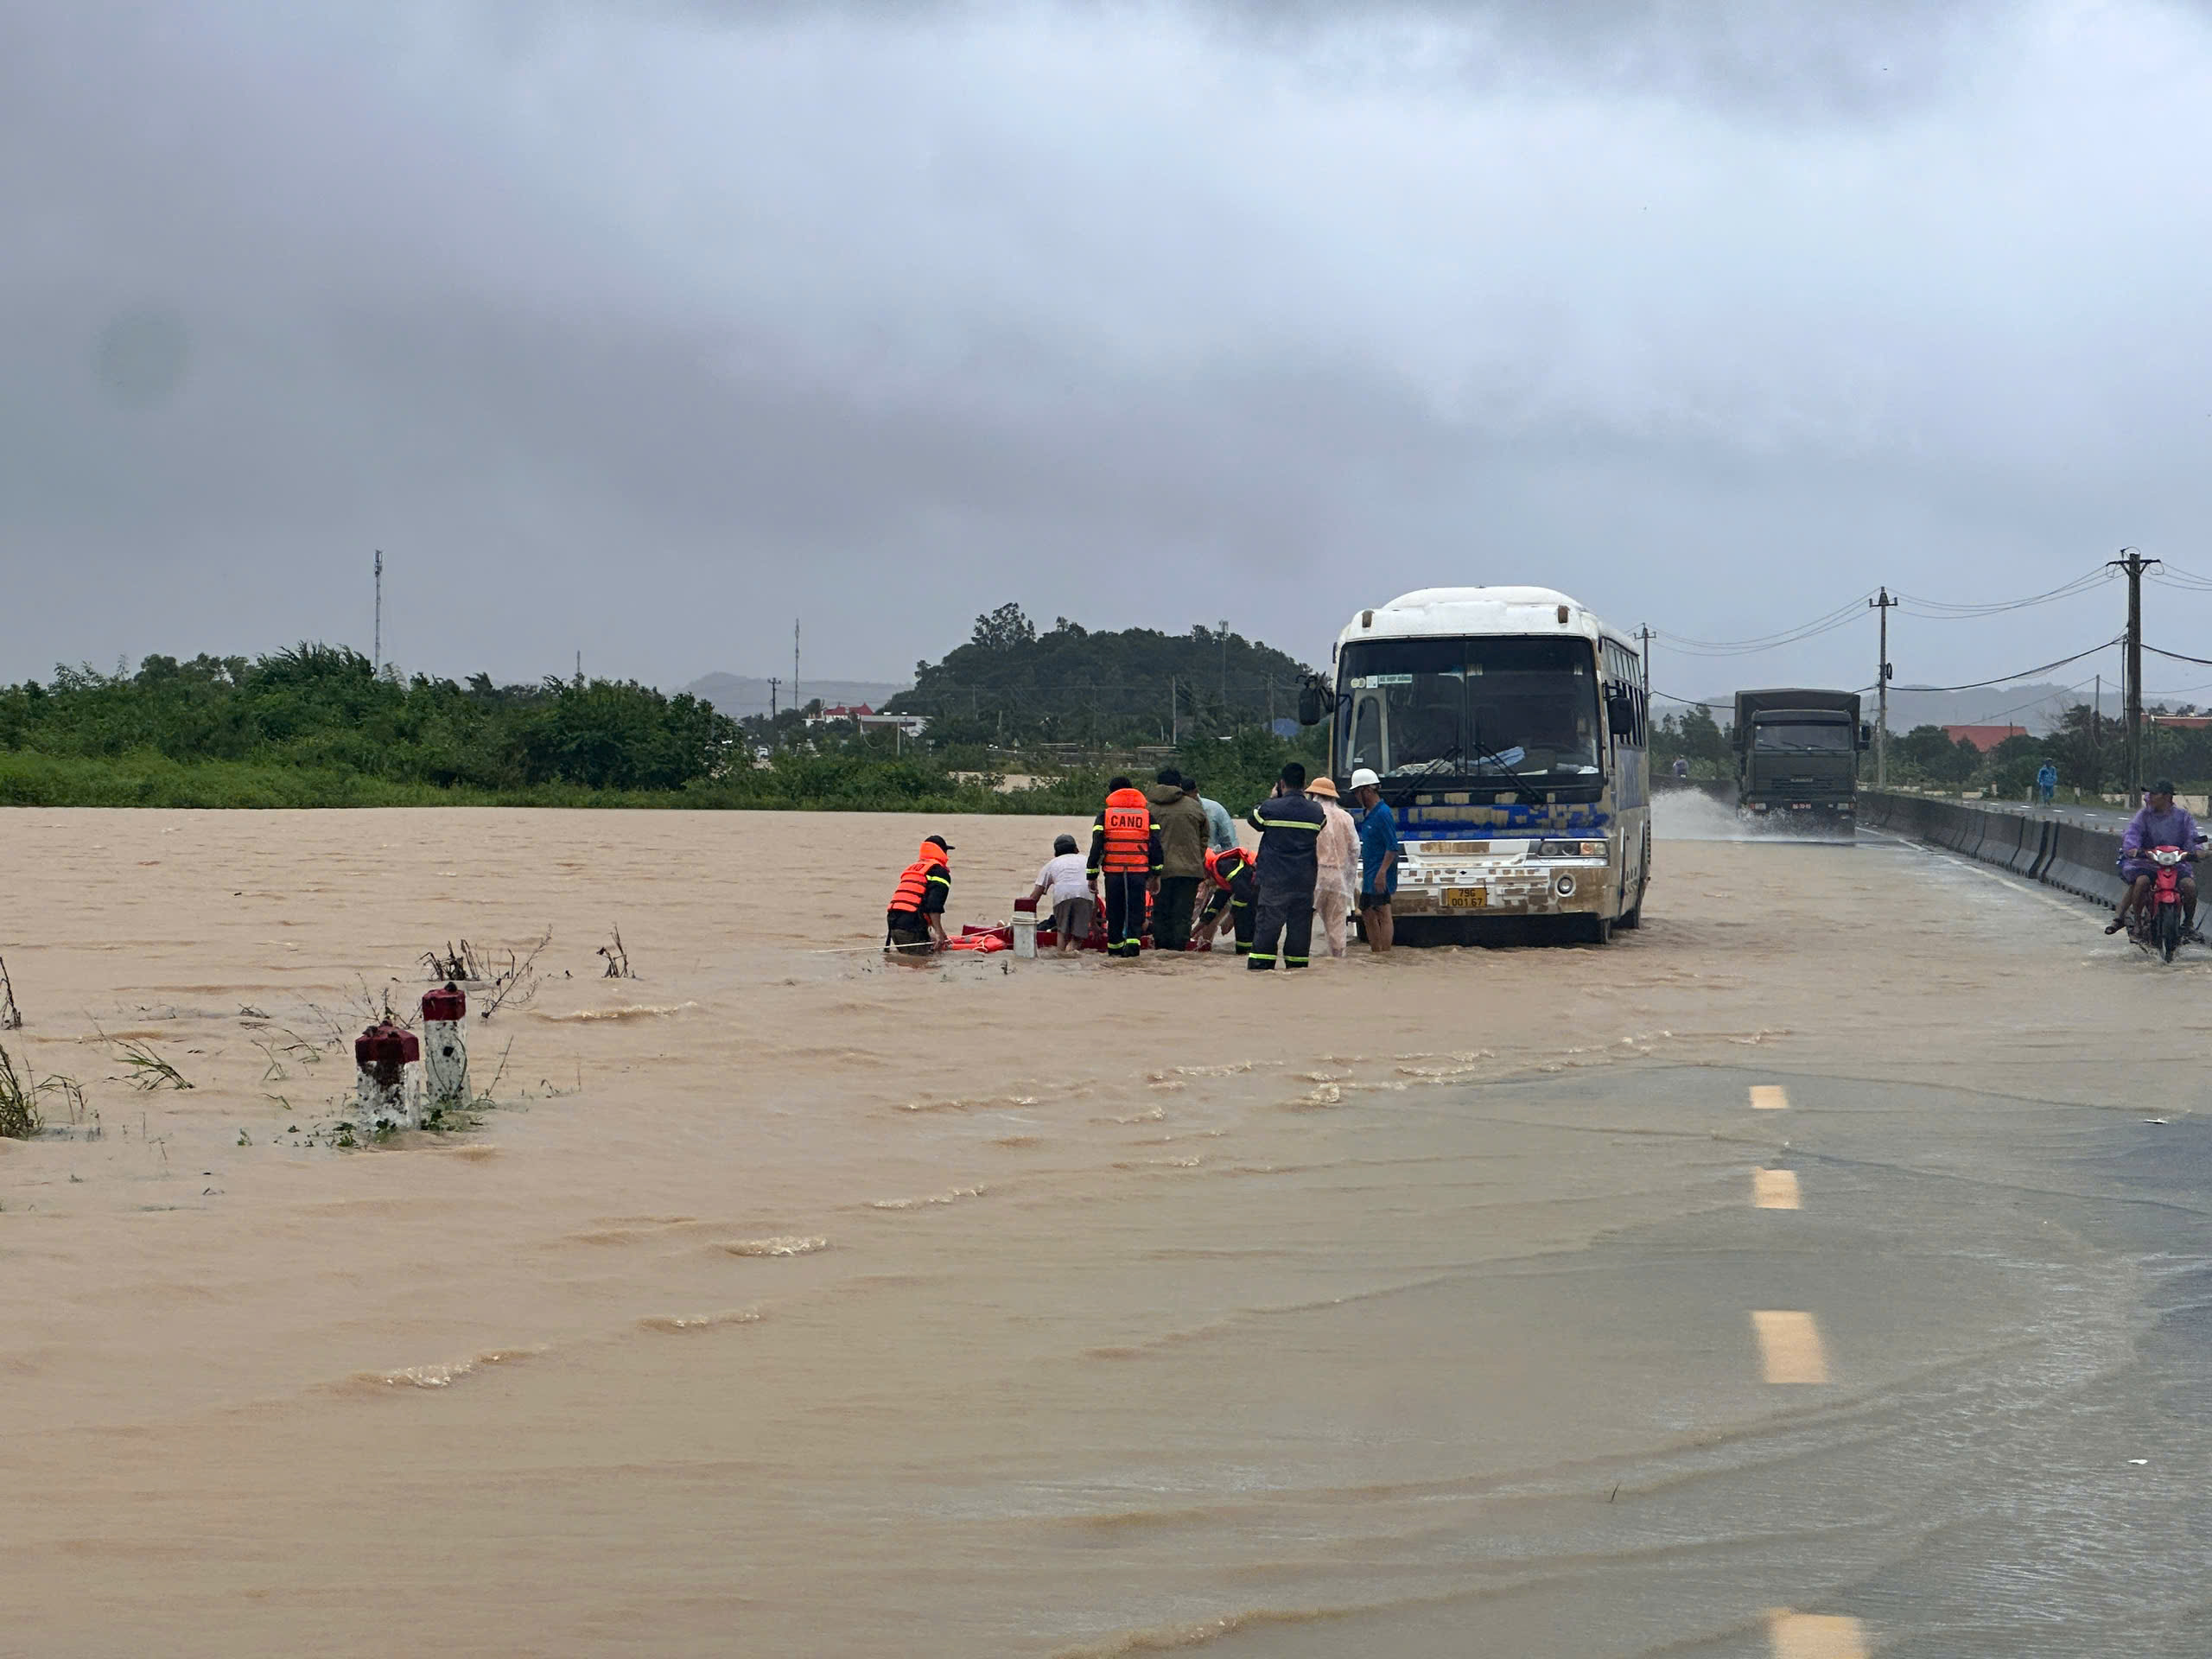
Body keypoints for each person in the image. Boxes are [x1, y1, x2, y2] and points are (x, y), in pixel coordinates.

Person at [1246, 762, 1325, 970]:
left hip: (1274, 881)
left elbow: (1253, 820)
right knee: (1300, 930)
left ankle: (1260, 969)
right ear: (1304, 784)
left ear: (1281, 784)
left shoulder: (1271, 808)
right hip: (1304, 882)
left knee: (1267, 929)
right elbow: (1320, 827)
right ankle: (1297, 970)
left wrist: (1273, 798)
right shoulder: (1316, 811)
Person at [2107, 779, 2201, 938]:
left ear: (2167, 797)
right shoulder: (2143, 816)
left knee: (2190, 886)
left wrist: (2197, 851)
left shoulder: (2183, 817)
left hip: (2177, 865)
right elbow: (2132, 834)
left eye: (2154, 793)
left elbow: (2193, 838)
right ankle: (2137, 923)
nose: (2149, 796)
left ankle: (2188, 924)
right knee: (2142, 882)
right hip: (2147, 863)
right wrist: (2134, 849)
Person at [1087, 776, 1163, 959]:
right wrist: (1156, 874)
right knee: (1136, 912)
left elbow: (1097, 847)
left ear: (1112, 793)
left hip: (1113, 873)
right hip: (1138, 873)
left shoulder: (1105, 816)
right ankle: (1133, 951)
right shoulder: (1146, 816)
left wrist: (1092, 874)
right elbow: (1156, 846)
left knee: (1115, 912)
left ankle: (1114, 952)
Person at [1145, 767, 1211, 952]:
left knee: (1160, 914)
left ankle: (1161, 953)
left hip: (1160, 872)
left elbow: (1144, 840)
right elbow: (1205, 836)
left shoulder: (1148, 808)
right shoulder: (1194, 806)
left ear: (1158, 784)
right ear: (1180, 785)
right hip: (1189, 871)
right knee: (1182, 916)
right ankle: (1179, 954)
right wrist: (1196, 858)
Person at [1307, 774, 1361, 957]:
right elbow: (1355, 848)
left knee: (1303, 921)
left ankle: (1301, 960)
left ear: (1313, 795)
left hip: (1315, 876)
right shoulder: (1345, 817)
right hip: (1338, 878)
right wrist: (1348, 876)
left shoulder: (1311, 815)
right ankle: (1338, 961)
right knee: (1337, 925)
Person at [1351, 766, 1400, 953]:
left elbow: (1392, 846)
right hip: (1371, 872)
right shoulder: (1369, 813)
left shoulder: (1383, 813)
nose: (1356, 796)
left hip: (1380, 872)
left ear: (1367, 791)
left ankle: (1385, 953)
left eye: (1357, 792)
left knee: (1383, 911)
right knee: (1367, 911)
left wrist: (1382, 873)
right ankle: (1376, 950)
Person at [1027, 833, 1096, 957]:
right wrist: (1094, 923)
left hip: (1062, 896)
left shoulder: (1051, 864)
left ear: (1055, 853)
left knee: (1062, 932)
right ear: (1076, 850)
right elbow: (1094, 891)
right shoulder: (1087, 860)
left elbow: (1034, 898)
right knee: (1077, 937)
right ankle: (1070, 955)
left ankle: (1061, 958)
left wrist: (1022, 921)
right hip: (1085, 896)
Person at [886, 835, 953, 954]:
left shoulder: (914, 868)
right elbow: (934, 906)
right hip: (910, 929)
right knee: (929, 967)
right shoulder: (940, 873)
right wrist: (938, 933)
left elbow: (917, 902)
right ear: (942, 852)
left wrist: (940, 933)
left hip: (894, 928)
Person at [1198, 843, 1259, 956]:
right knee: (1243, 919)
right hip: (1254, 890)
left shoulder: (1223, 866)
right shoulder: (1219, 872)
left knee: (1243, 920)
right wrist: (1193, 933)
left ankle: (1245, 954)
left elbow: (1243, 893)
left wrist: (1231, 917)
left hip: (1257, 889)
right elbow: (1216, 906)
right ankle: (1245, 955)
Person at [1188, 776, 1238, 855]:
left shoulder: (1215, 809)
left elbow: (1229, 840)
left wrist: (1233, 858)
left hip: (1211, 860)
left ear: (1195, 792)